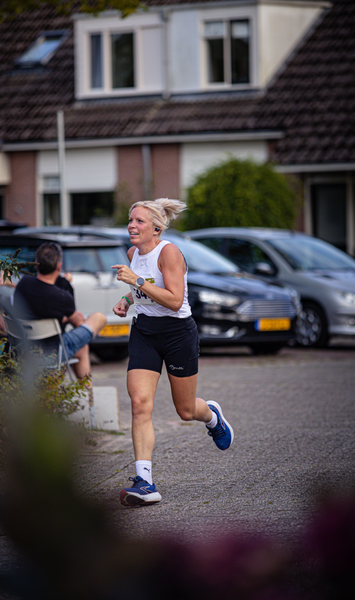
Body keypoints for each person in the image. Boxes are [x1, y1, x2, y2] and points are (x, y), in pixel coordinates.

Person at [112, 198, 234, 507]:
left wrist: (135, 280)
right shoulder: (132, 254)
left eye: (139, 221)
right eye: (130, 220)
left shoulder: (169, 253)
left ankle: (212, 416)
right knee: (139, 404)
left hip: (178, 333)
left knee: (185, 410)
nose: (131, 225)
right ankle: (145, 481)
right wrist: (128, 300)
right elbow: (144, 289)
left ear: (156, 228)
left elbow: (175, 300)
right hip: (145, 333)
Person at [14, 241, 106, 381]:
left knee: (81, 348)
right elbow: (78, 324)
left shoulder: (24, 283)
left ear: (35, 263)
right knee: (99, 318)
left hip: (23, 350)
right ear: (59, 266)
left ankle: (85, 396)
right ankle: (88, 397)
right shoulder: (62, 297)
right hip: (52, 353)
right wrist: (68, 317)